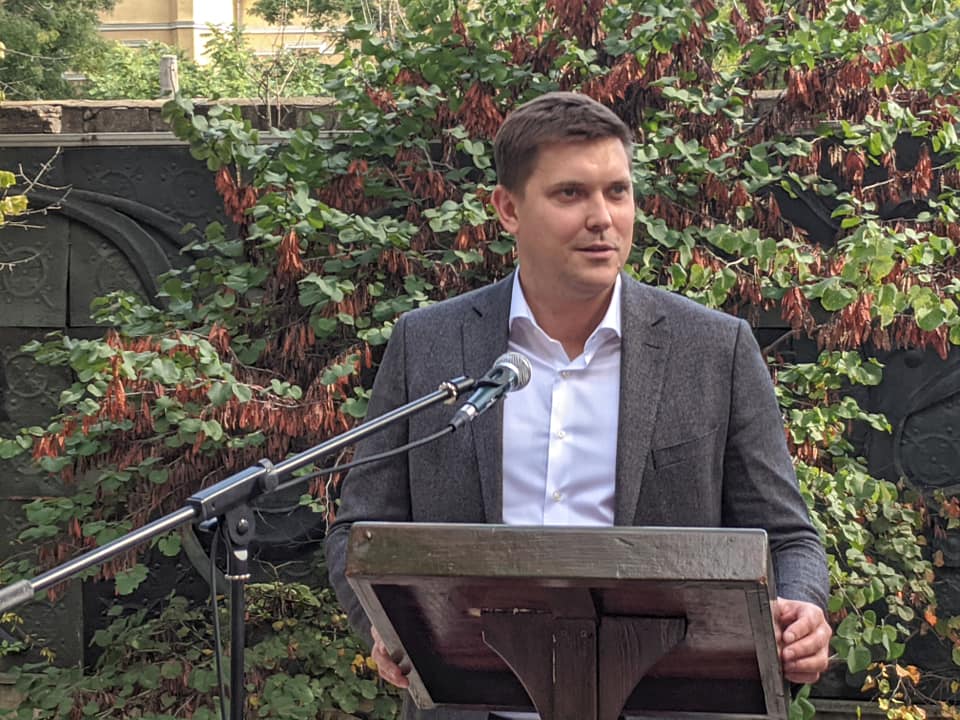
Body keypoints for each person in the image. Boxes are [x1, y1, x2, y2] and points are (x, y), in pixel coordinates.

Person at [325, 91, 832, 719]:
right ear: (508, 208)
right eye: (571, 194)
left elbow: (786, 536)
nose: (602, 218)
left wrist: (802, 610)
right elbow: (359, 531)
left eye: (617, 192)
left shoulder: (712, 350)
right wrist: (385, 628)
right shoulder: (429, 344)